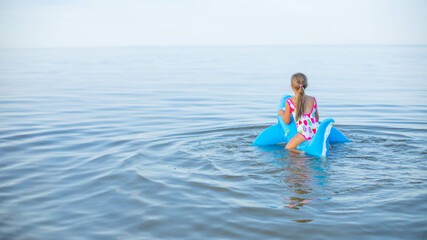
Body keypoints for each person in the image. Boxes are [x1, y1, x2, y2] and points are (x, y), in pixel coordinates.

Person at [278, 73, 320, 153]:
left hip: (304, 133)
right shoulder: (313, 99)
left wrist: (282, 113)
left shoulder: (289, 101)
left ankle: (301, 153)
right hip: (317, 130)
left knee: (288, 148)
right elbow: (316, 118)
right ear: (306, 85)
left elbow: (287, 121)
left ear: (292, 86)